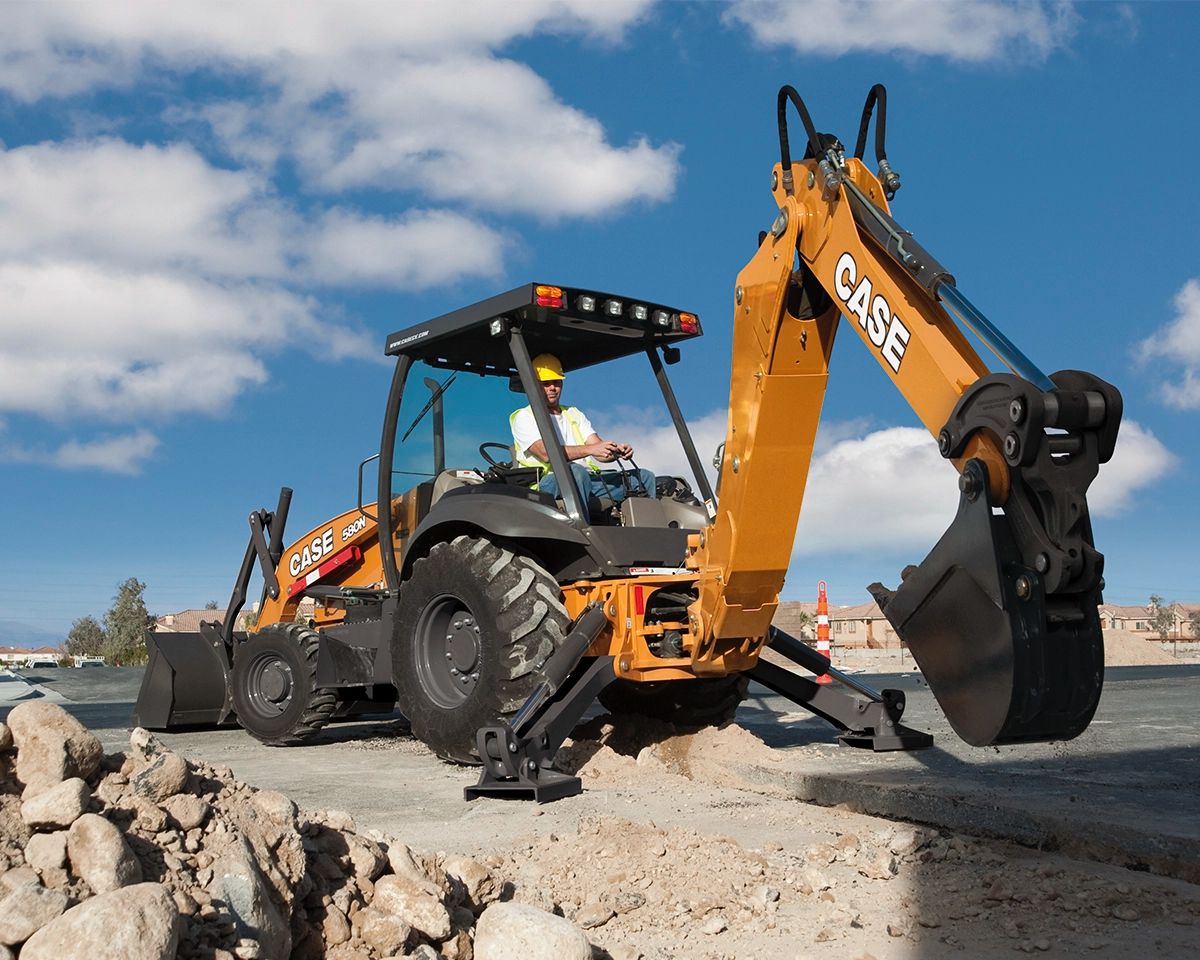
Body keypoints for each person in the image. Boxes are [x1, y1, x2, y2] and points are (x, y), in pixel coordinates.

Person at [510, 353, 655, 522]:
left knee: (643, 477)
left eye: (556, 383)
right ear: (534, 385)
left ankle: (646, 536)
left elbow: (598, 448)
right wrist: (591, 449)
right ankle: (583, 534)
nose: (552, 388)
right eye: (546, 384)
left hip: (587, 480)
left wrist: (616, 452)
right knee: (576, 472)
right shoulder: (525, 417)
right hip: (546, 484)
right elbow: (546, 454)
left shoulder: (573, 413)